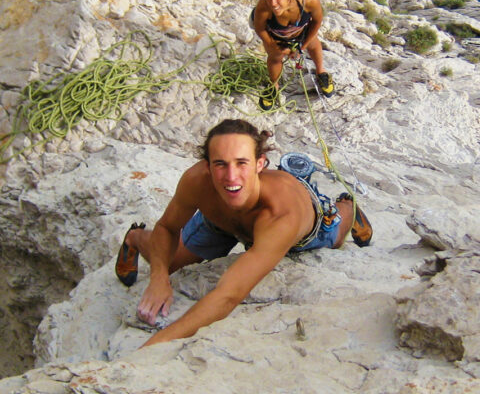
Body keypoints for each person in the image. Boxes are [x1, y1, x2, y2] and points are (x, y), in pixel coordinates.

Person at [115, 119, 372, 346]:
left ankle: (346, 206)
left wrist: (151, 347)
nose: (231, 176)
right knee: (169, 262)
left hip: (306, 224)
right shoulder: (197, 180)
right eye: (220, 164)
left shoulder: (281, 215)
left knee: (336, 237)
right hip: (222, 219)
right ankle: (134, 238)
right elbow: (167, 227)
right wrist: (159, 277)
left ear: (260, 163)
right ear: (207, 165)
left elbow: (228, 294)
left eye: (242, 163)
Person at [251, 0, 334, 110]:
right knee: (275, 56)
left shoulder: (308, 0)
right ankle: (273, 86)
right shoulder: (263, 7)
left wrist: (302, 46)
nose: (273, 3)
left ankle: (321, 71)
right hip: (274, 33)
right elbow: (260, 28)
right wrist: (274, 46)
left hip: (299, 30)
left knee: (314, 44)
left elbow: (317, 21)